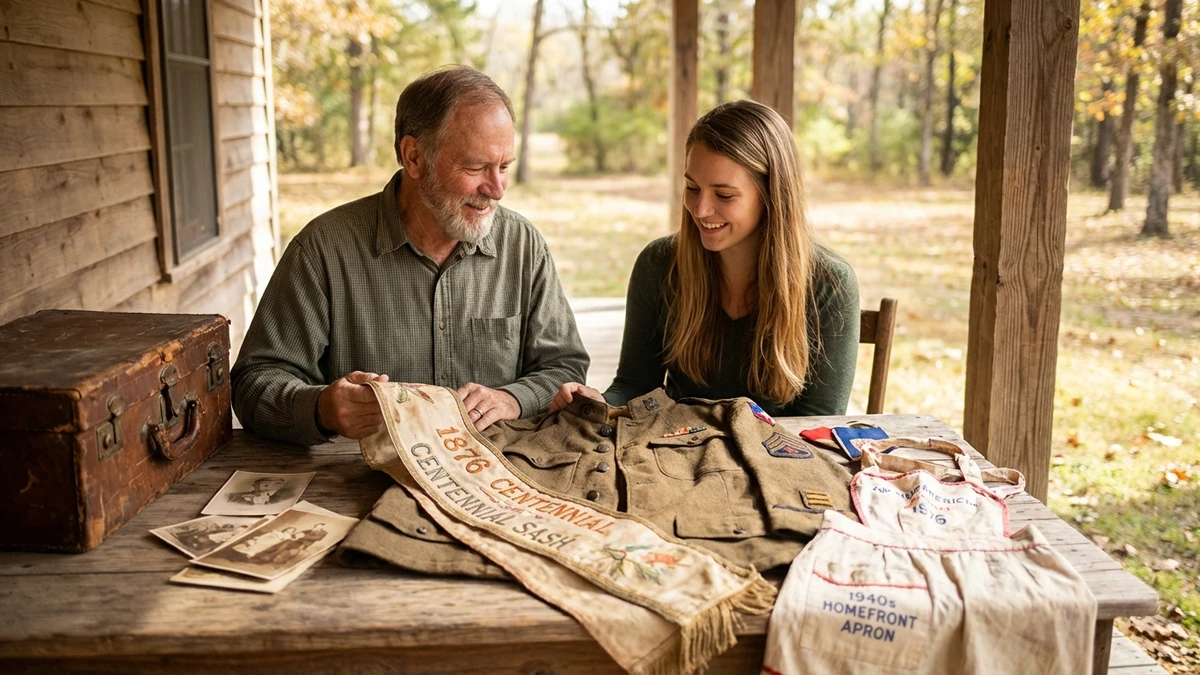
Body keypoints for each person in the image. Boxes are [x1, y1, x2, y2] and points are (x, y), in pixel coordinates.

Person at [232, 66, 589, 445]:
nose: (497, 189)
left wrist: (512, 399)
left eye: (504, 167)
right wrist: (322, 408)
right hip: (359, 483)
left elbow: (564, 366)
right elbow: (255, 384)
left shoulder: (522, 246)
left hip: (499, 479)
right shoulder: (324, 249)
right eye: (476, 167)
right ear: (414, 156)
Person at [552, 100, 859, 417]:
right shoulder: (658, 265)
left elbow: (819, 420)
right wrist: (600, 401)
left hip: (780, 459)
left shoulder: (830, 283)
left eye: (724, 195)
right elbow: (636, 384)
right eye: (692, 187)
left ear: (771, 195)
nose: (699, 210)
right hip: (675, 451)